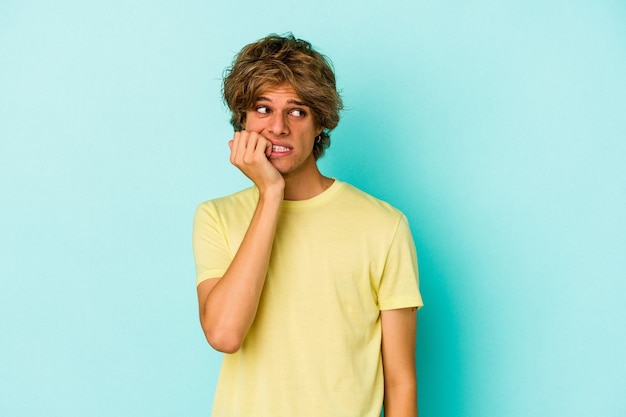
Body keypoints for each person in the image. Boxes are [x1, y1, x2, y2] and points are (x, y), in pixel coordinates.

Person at [192, 33, 423, 417]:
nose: (278, 127)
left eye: (296, 111)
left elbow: (400, 380)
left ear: (320, 124)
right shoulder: (215, 217)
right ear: (243, 121)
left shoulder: (384, 225)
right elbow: (224, 334)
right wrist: (270, 194)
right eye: (263, 109)